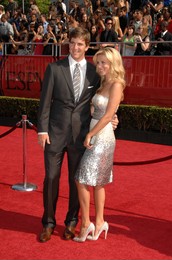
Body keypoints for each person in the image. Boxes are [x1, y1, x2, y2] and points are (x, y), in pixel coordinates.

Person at [37, 27, 102, 243]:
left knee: (77, 182)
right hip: (54, 134)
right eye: (73, 43)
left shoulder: (94, 73)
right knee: (51, 178)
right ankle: (48, 222)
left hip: (80, 136)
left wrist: (112, 117)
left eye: (80, 44)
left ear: (87, 46)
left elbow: (101, 101)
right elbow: (45, 102)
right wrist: (42, 130)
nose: (76, 47)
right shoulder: (55, 68)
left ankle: (72, 222)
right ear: (69, 44)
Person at [73, 47, 125, 242]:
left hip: (102, 137)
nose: (100, 66)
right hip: (98, 130)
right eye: (98, 62)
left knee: (81, 179)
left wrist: (90, 134)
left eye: (104, 62)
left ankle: (87, 223)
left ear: (113, 63)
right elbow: (99, 110)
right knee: (97, 182)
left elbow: (109, 114)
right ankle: (99, 221)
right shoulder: (103, 83)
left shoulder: (116, 84)